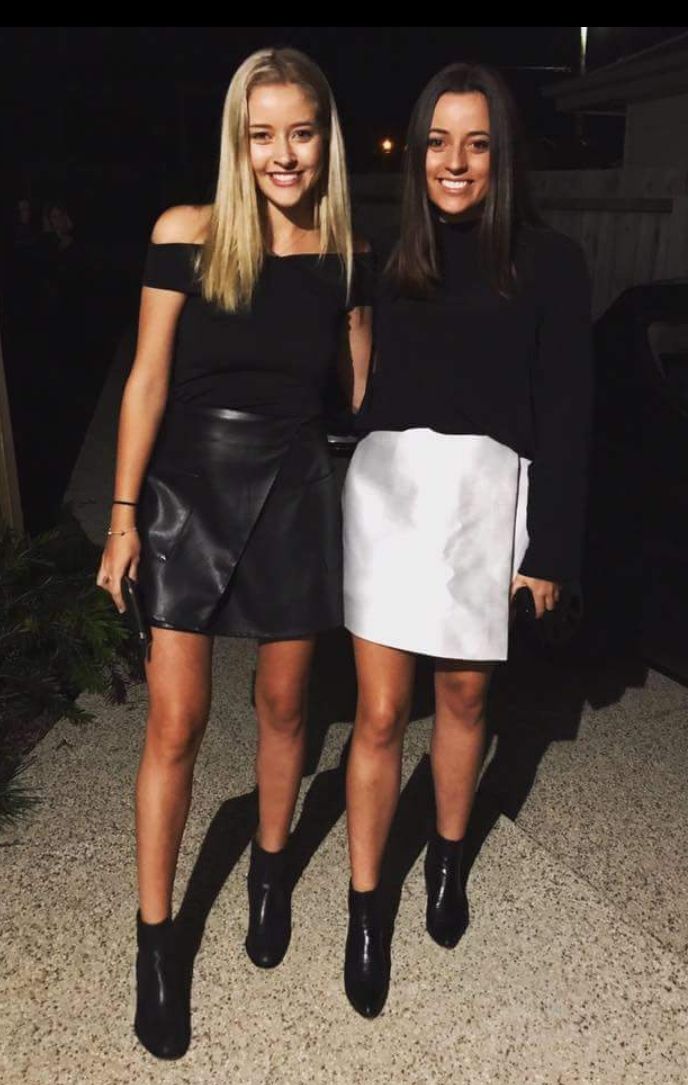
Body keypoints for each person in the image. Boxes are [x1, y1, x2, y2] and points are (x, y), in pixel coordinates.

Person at [96, 47, 372, 1058]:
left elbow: (357, 397)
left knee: (287, 706)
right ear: (237, 140)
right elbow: (145, 381)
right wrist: (123, 516)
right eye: (262, 135)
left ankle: (267, 871)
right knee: (175, 721)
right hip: (189, 491)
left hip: (294, 490)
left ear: (325, 138)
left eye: (301, 132)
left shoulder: (347, 250)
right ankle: (156, 944)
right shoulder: (186, 233)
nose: (283, 154)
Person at [341, 62, 593, 1017]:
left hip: (488, 499)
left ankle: (447, 861)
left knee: (465, 694)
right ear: (416, 154)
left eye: (477, 143)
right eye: (439, 142)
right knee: (377, 712)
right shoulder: (386, 259)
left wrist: (551, 550)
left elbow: (567, 411)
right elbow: (354, 384)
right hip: (388, 497)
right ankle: (367, 908)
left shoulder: (550, 262)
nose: (456, 161)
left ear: (502, 155)